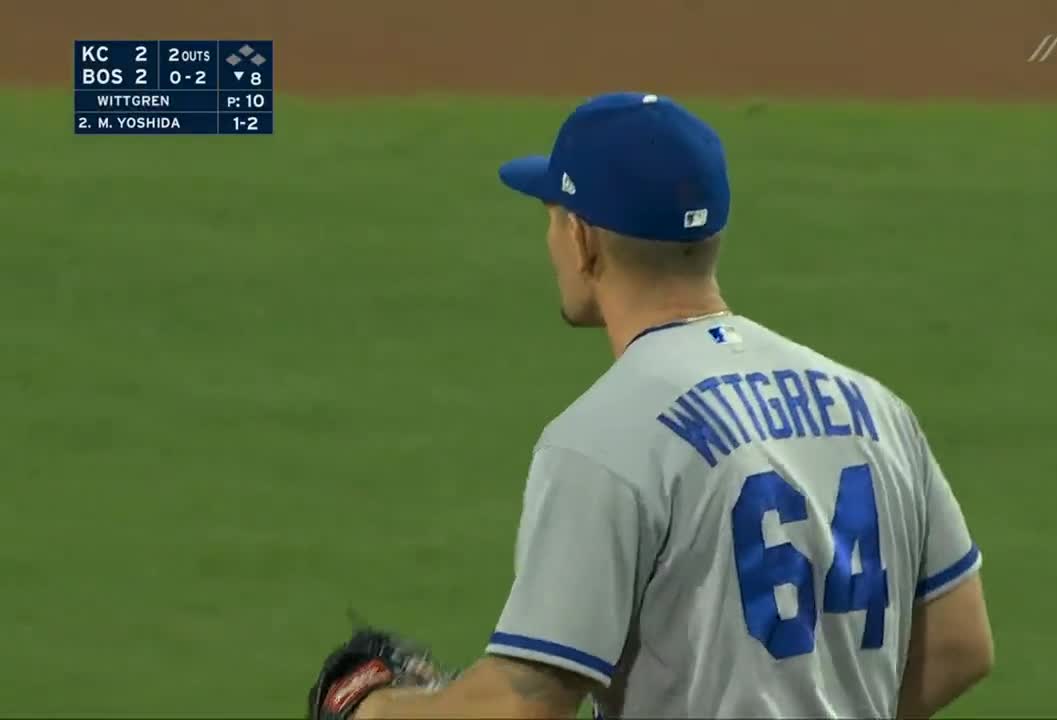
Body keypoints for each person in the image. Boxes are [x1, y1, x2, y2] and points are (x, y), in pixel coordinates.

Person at [350, 91, 993, 719]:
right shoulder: (874, 407)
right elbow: (959, 647)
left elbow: (525, 704)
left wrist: (372, 708)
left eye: (550, 215)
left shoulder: (602, 437)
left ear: (582, 237)